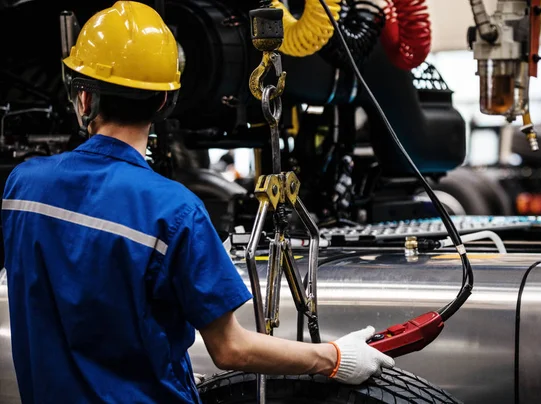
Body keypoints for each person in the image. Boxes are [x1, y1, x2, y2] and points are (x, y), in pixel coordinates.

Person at [1, 2, 394, 403]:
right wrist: (334, 357)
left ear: (83, 99)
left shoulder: (22, 187)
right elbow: (231, 349)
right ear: (163, 103)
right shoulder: (175, 212)